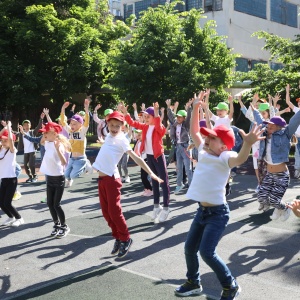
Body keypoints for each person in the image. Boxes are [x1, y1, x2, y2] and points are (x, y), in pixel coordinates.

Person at [175, 91, 264, 299]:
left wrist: (249, 144)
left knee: (207, 252)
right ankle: (193, 282)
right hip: (202, 211)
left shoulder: (226, 156)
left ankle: (230, 284)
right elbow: (195, 131)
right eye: (208, 137)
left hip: (218, 213)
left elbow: (240, 159)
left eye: (212, 138)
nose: (206, 140)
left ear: (224, 145)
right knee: (189, 248)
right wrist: (196, 107)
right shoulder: (205, 152)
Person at [92, 111, 163, 258]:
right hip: (102, 180)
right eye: (112, 125)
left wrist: (151, 173)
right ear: (107, 124)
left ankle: (126, 238)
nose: (114, 128)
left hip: (112, 180)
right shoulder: (108, 137)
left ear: (123, 127)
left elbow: (137, 158)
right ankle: (117, 237)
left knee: (114, 212)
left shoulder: (122, 139)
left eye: (117, 126)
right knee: (106, 213)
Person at [252, 84, 300, 220]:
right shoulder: (265, 132)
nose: (269, 125)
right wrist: (254, 106)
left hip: (281, 175)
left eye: (272, 124)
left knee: (274, 200)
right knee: (261, 197)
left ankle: (285, 208)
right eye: (268, 124)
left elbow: (296, 120)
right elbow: (258, 118)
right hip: (269, 174)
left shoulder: (285, 134)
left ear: (279, 127)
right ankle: (274, 207)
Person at [121, 103, 171, 223]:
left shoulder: (160, 128)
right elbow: (133, 123)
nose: (146, 119)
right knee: (154, 182)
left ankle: (166, 208)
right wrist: (125, 113)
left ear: (154, 117)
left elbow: (160, 128)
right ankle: (156, 206)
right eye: (145, 117)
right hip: (149, 156)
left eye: (148, 116)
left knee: (163, 182)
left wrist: (158, 113)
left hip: (158, 156)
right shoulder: (145, 127)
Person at [39, 122, 72, 238]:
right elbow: (41, 142)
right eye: (45, 133)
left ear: (54, 134)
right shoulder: (48, 143)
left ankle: (64, 226)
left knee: (56, 204)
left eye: (47, 133)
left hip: (58, 179)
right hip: (50, 178)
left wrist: (58, 149)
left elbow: (64, 162)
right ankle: (56, 225)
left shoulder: (59, 145)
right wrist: (45, 134)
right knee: (49, 203)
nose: (45, 135)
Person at [60, 99, 90, 187]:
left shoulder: (82, 131)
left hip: (80, 159)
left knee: (73, 175)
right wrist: (63, 109)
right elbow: (63, 121)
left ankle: (85, 167)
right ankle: (69, 180)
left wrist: (87, 109)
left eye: (75, 124)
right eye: (71, 123)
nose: (72, 125)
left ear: (80, 125)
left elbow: (87, 123)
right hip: (72, 158)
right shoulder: (69, 131)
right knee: (66, 175)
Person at [0, 122, 24, 227]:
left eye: (6, 140)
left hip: (11, 180)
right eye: (2, 140)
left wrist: (9, 127)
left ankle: (20, 218)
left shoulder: (12, 151)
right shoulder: (1, 150)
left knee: (7, 203)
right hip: (3, 180)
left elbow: (10, 139)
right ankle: (11, 217)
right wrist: (4, 128)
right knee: (1, 203)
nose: (4, 142)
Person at [166, 99, 193, 194]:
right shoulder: (175, 123)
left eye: (180, 117)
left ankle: (191, 185)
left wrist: (189, 107)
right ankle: (179, 184)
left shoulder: (186, 124)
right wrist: (168, 106)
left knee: (188, 168)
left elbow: (189, 116)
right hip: (178, 147)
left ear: (184, 118)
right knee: (179, 167)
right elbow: (170, 116)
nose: (178, 118)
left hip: (185, 147)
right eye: (178, 117)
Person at [16, 115, 44, 183]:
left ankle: (35, 176)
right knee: (25, 165)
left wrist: (41, 119)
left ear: (30, 125)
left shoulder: (32, 132)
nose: (26, 126)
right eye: (25, 125)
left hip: (32, 151)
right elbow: (14, 133)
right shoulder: (21, 133)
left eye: (27, 124)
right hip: (26, 152)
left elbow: (38, 127)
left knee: (31, 164)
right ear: (23, 126)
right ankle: (30, 177)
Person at [133, 129, 153, 196]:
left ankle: (150, 190)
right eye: (137, 135)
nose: (138, 137)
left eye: (139, 135)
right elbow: (136, 151)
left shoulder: (146, 142)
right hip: (142, 160)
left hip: (147, 160)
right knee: (143, 177)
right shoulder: (138, 142)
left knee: (144, 177)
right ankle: (147, 189)